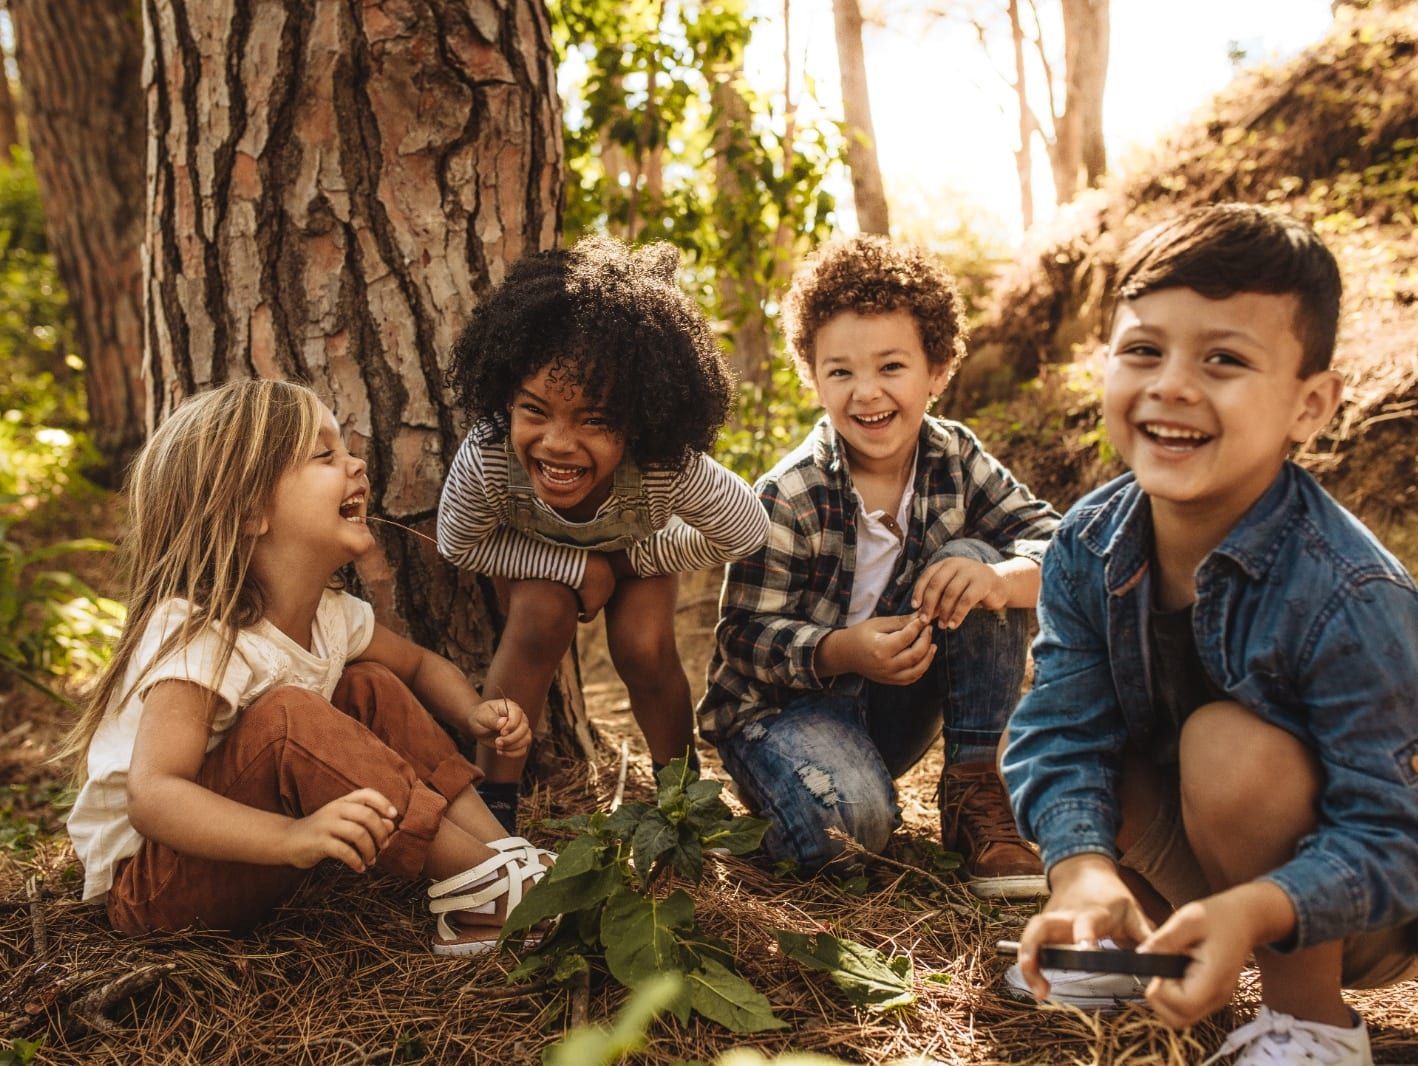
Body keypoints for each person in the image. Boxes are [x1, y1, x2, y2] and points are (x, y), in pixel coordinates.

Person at [1002, 204, 1418, 1064]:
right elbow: (1060, 729)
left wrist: (1256, 908)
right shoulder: (1089, 541)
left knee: (1228, 746)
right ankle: (1137, 940)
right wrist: (1080, 870)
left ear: (1311, 406)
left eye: (1223, 360)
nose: (1172, 386)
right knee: (1079, 735)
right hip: (1207, 859)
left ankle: (1311, 1024)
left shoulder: (1349, 590)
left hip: (1362, 897)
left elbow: (1391, 834)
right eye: (1144, 351)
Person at [64, 380, 554, 956]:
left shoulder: (332, 615)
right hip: (157, 888)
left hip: (245, 854)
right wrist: (292, 837)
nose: (356, 465)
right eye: (325, 456)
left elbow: (418, 667)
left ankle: (498, 857)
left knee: (368, 685)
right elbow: (154, 796)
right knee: (290, 716)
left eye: (345, 450)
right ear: (250, 510)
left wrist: (471, 711)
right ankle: (490, 892)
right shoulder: (200, 633)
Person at [697, 235, 1061, 895]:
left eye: (891, 367)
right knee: (850, 833)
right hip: (782, 715)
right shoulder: (790, 492)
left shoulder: (956, 458)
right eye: (840, 372)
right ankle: (802, 803)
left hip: (894, 706)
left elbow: (1064, 547)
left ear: (939, 370)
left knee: (976, 562)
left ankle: (975, 789)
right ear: (814, 378)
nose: (866, 394)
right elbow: (742, 636)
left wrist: (1001, 580)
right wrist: (841, 651)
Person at [437, 235, 770, 832]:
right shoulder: (489, 455)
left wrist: (635, 558)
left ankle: (682, 801)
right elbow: (458, 543)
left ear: (641, 422)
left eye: (595, 420)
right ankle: (493, 815)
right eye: (534, 410)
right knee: (539, 616)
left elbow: (743, 529)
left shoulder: (666, 466)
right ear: (506, 397)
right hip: (537, 560)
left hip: (637, 553)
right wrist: (575, 568)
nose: (558, 442)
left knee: (643, 645)